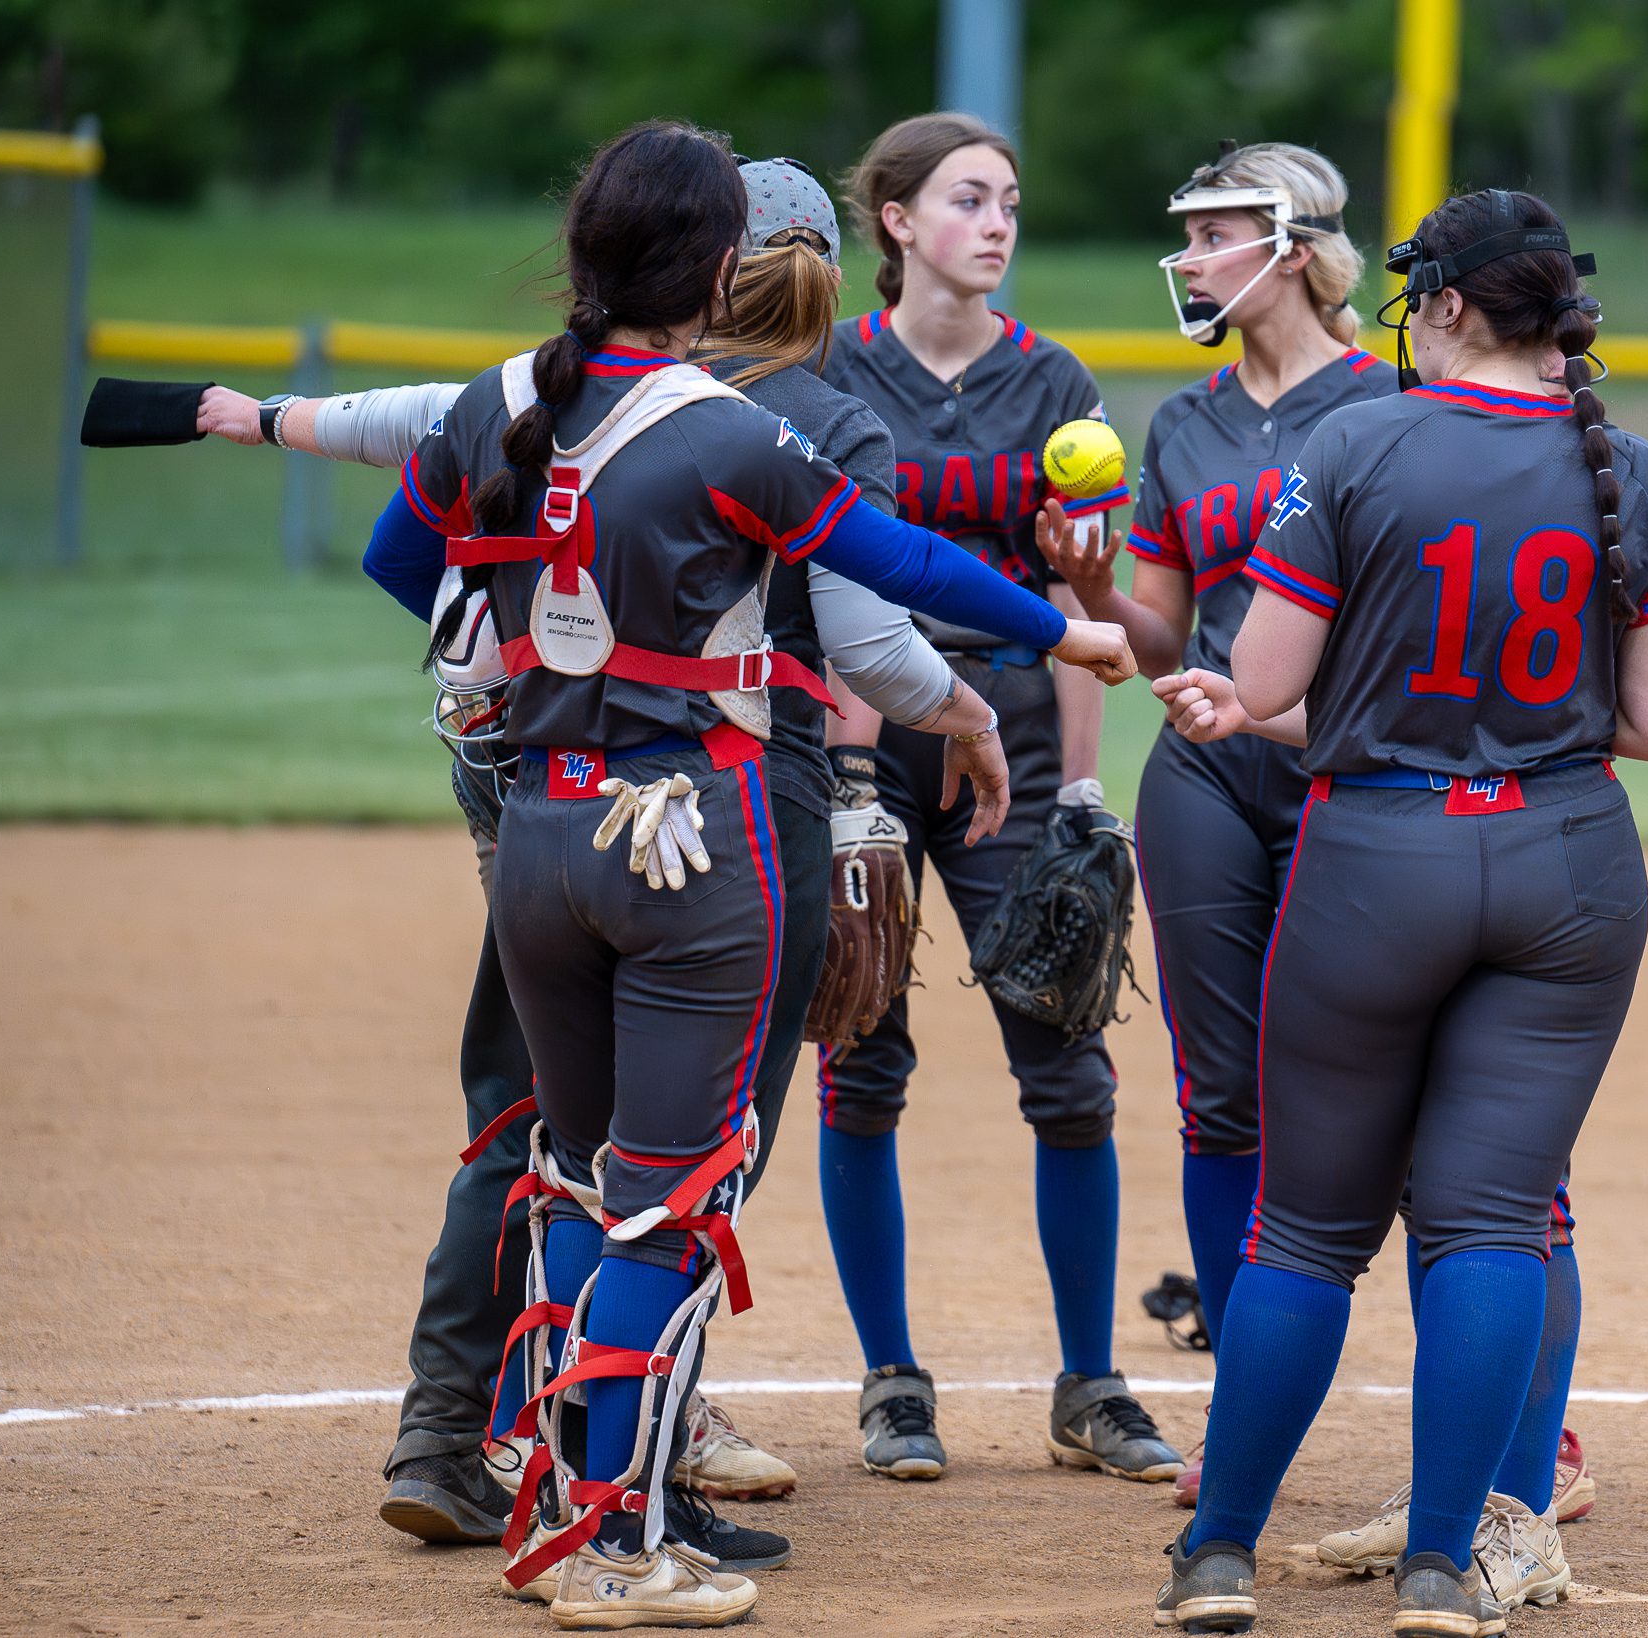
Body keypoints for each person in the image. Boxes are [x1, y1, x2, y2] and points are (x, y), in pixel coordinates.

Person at [356, 119, 1132, 1628]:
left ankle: (557, 1489)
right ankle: (612, 1542)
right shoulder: (727, 432)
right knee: (669, 1200)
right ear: (718, 269)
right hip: (688, 841)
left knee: (575, 1175)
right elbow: (894, 571)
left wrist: (534, 659)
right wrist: (1063, 633)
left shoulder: (496, 400)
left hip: (540, 830)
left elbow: (407, 567)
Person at [193, 157, 1026, 1551]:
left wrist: (528, 664)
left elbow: (408, 528)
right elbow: (877, 639)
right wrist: (991, 700)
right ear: (800, 273)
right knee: (685, 1163)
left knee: (529, 1126)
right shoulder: (808, 423)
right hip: (731, 809)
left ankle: (456, 1431)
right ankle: (634, 1470)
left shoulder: (543, 391)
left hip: (542, 795)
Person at [1146, 187, 1648, 1638]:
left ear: (1448, 303)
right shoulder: (1625, 464)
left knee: (1304, 1232)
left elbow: (1266, 683)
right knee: (1494, 1222)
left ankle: (1219, 1554)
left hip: (1378, 856)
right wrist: (1525, 724)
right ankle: (1446, 1570)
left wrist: (1340, 708)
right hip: (1569, 860)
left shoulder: (1355, 440)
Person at [814, 110, 1182, 1485]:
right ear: (897, 220)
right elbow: (813, 583)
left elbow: (1081, 605)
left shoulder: (1054, 382)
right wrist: (845, 772)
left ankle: (1091, 1384)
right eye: (968, 198)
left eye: (1010, 202)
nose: (997, 223)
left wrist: (1081, 784)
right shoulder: (830, 368)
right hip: (861, 738)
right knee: (861, 1056)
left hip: (1012, 739)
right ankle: (890, 1381)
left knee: (1067, 1063)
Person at [1035, 138, 1389, 1507]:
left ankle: (1509, 1425)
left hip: (1351, 774)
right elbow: (1159, 642)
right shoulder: (1182, 424)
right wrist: (1093, 586)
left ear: (1291, 246)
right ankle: (1245, 1423)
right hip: (1206, 773)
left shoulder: (1393, 402)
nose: (1186, 257)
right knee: (1219, 1093)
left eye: (1212, 233)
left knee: (1396, 1095)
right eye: (1185, 235)